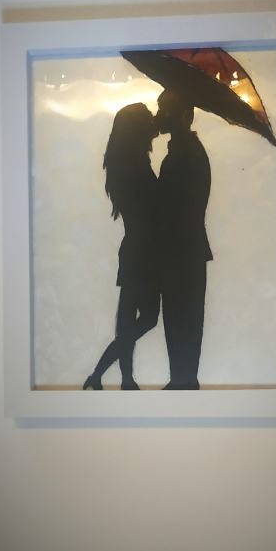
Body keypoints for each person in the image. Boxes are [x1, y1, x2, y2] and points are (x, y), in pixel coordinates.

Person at [83, 103, 160, 390]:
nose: (153, 126)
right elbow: (151, 208)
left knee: (129, 321)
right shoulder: (136, 166)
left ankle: (113, 377)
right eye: (148, 122)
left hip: (135, 248)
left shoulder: (125, 163)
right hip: (144, 251)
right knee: (146, 318)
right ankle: (106, 376)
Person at [155, 88, 213, 390]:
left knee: (181, 321)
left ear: (183, 115)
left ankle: (182, 382)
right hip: (184, 252)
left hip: (181, 253)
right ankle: (182, 380)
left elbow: (174, 208)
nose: (158, 116)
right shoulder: (185, 152)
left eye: (164, 109)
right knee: (182, 322)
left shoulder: (183, 155)